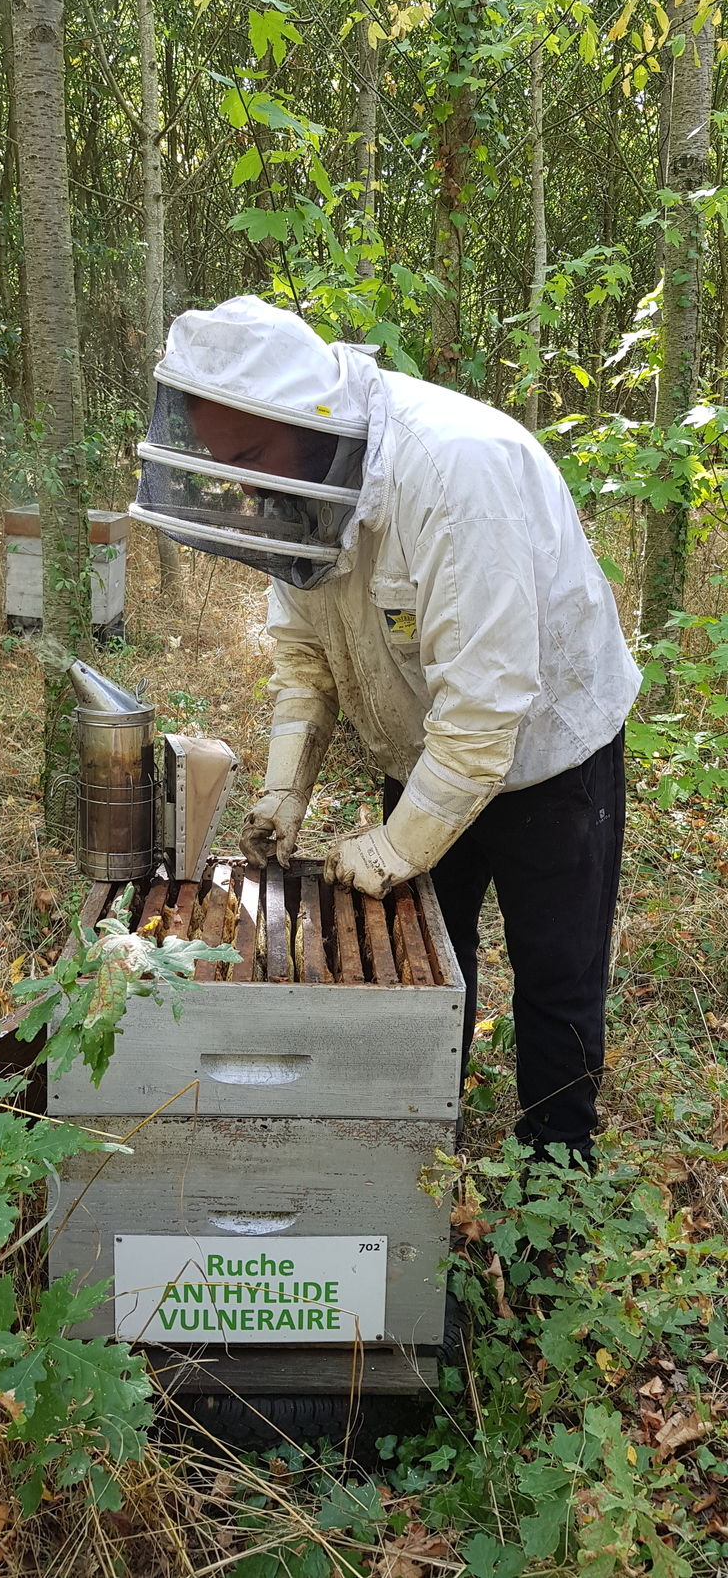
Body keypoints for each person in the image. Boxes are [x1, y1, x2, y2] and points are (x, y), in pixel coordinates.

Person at [130, 295, 641, 1163]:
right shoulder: (298, 488)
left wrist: (395, 847)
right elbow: (304, 660)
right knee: (429, 964)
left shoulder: (456, 475)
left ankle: (559, 1174)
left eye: (251, 456)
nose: (246, 485)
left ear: (308, 419)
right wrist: (284, 792)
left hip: (551, 754)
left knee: (556, 978)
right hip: (415, 747)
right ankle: (418, 1135)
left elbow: (486, 714)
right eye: (225, 464)